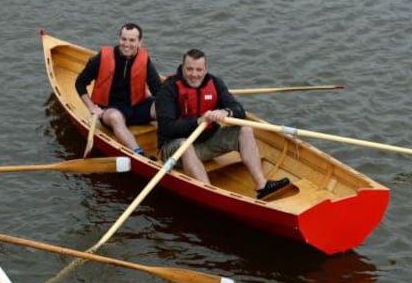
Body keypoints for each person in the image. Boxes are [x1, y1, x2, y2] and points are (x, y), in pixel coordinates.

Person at [156, 48, 291, 200]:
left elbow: (239, 110)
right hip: (175, 149)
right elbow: (167, 127)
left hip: (207, 142)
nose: (194, 74)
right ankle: (210, 193)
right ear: (182, 67)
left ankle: (262, 185)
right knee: (184, 145)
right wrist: (198, 121)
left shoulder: (215, 83)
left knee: (245, 130)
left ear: (206, 69)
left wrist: (227, 112)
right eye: (190, 69)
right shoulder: (169, 88)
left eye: (199, 70)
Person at [74, 23, 163, 156]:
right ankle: (138, 153)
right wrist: (92, 108)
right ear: (119, 39)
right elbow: (80, 83)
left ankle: (171, 144)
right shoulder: (102, 58)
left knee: (164, 106)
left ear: (140, 42)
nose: (126, 44)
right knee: (115, 117)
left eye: (132, 40)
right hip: (112, 109)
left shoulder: (144, 60)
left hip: (138, 106)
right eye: (123, 39)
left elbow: (158, 90)